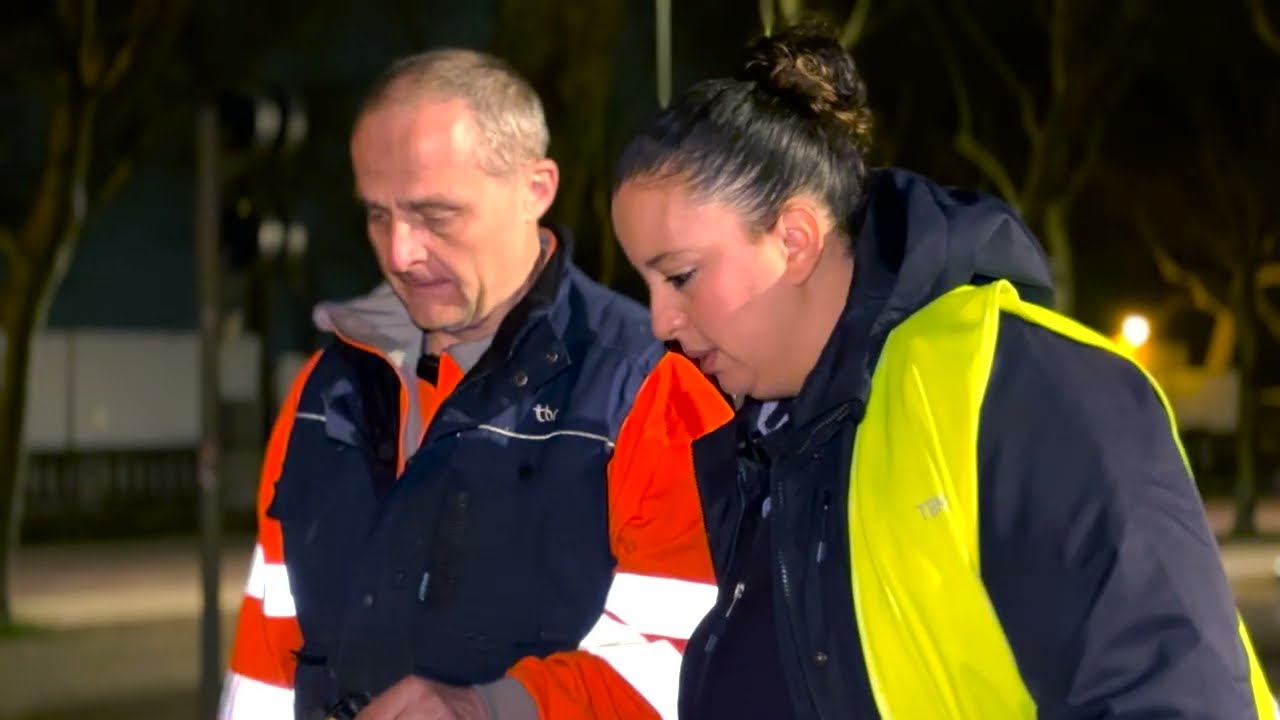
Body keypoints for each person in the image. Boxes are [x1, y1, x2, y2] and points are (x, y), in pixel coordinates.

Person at [610, 22, 1276, 720]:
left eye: (680, 276)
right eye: (647, 286)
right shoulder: (763, 443)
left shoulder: (1021, 385)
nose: (661, 321)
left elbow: (1175, 697)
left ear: (796, 240)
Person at [220, 48, 732, 720]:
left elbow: (685, 665)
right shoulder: (324, 390)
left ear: (535, 189)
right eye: (378, 215)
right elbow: (267, 656)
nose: (400, 253)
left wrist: (493, 708)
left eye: (435, 215)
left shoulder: (652, 388)